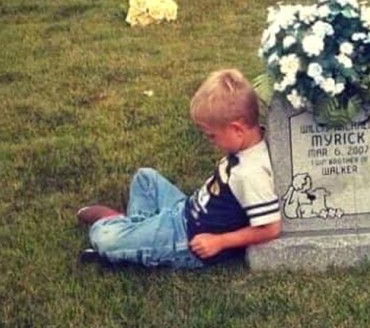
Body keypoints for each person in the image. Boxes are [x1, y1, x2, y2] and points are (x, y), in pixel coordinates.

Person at [77, 69, 282, 268]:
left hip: (186, 240)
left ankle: (112, 222)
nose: (210, 141)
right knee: (145, 178)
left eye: (212, 135)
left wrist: (218, 242)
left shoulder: (250, 173)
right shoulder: (248, 144)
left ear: (237, 129)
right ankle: (134, 232)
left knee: (106, 240)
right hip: (183, 210)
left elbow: (270, 228)